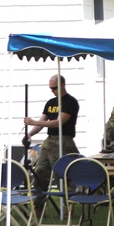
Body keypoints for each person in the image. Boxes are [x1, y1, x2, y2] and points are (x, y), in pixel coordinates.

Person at [23, 74, 80, 209]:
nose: (52, 91)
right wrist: (30, 133)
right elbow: (43, 122)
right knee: (40, 172)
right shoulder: (51, 103)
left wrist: (33, 121)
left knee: (64, 174)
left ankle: (68, 206)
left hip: (64, 140)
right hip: (49, 141)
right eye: (50, 88)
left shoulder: (70, 102)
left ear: (62, 85)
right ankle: (38, 206)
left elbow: (59, 122)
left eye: (54, 88)